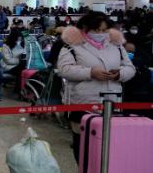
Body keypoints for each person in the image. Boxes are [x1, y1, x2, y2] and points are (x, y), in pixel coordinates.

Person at [58, 12, 136, 162]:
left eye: (104, 30)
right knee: (84, 147)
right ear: (85, 28)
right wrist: (90, 72)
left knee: (109, 147)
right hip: (83, 103)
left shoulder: (117, 46)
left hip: (112, 101)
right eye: (96, 30)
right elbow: (64, 69)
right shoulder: (72, 46)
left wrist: (119, 74)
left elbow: (130, 68)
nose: (101, 34)